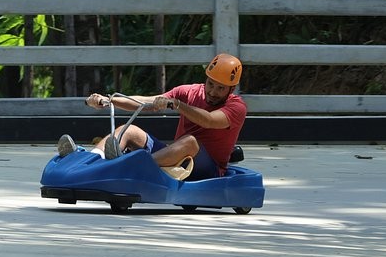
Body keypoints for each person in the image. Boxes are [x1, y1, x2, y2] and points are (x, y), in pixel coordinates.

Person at [56, 53, 247, 181]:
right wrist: (109, 100)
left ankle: (130, 165)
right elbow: (146, 102)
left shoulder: (236, 107)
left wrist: (177, 105)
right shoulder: (188, 91)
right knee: (127, 130)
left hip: (208, 169)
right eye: (210, 84)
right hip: (177, 155)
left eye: (220, 88)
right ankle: (86, 163)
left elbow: (209, 120)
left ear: (231, 89)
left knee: (190, 141)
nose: (212, 91)